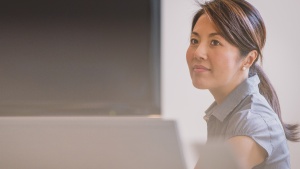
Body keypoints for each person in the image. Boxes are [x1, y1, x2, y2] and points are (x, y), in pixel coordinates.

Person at [186, 0, 300, 168]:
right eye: (194, 40)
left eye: (215, 42)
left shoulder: (253, 122)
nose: (198, 52)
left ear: (248, 59)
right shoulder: (225, 114)